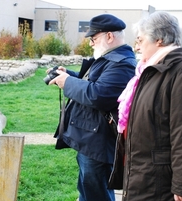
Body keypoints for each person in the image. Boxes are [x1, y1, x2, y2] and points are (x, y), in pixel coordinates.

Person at [110, 11, 182, 201]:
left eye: (140, 40)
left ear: (159, 39)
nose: (136, 47)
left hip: (162, 183)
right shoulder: (151, 70)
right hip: (146, 174)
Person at [47, 14, 136, 201]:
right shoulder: (110, 58)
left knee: (96, 194)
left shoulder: (122, 64)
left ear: (109, 36)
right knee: (87, 190)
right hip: (90, 137)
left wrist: (68, 82)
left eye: (94, 38)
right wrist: (66, 75)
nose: (91, 43)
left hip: (99, 141)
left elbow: (99, 95)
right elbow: (91, 82)